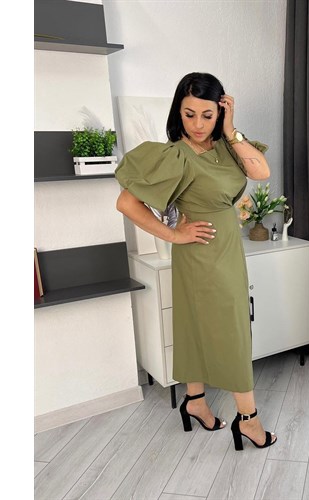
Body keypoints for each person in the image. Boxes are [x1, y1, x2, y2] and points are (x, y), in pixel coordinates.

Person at [115, 72, 277, 450]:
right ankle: (248, 420)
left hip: (227, 251)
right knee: (233, 332)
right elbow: (126, 202)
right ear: (178, 112)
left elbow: (261, 171)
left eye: (208, 115)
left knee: (195, 325)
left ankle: (195, 401)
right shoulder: (174, 155)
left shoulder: (227, 147)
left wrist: (231, 129)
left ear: (220, 113)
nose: (198, 125)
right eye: (189, 115)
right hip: (200, 254)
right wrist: (173, 235)